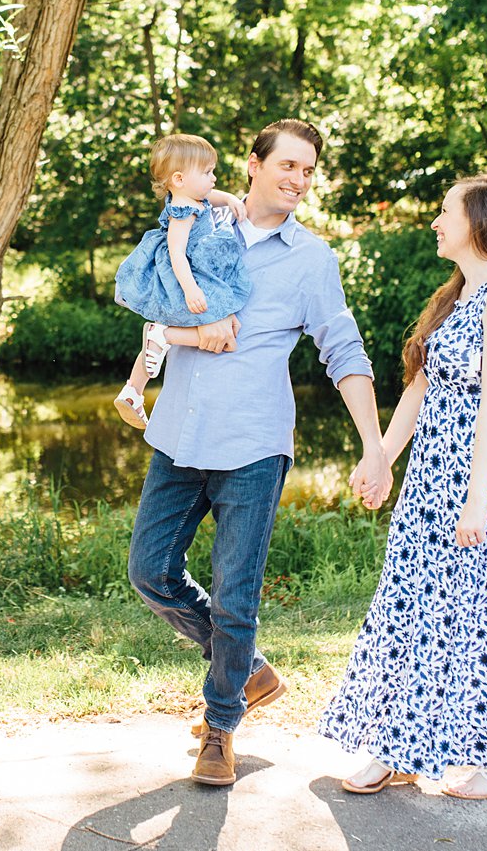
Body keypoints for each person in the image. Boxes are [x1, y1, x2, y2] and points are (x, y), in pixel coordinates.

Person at [122, 119, 392, 787]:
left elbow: (345, 352)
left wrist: (376, 446)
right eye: (287, 166)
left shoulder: (312, 260)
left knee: (237, 598)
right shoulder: (196, 228)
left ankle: (221, 726)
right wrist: (182, 339)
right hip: (179, 435)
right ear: (253, 163)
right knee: (150, 570)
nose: (298, 179)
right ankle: (250, 669)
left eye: (308, 169)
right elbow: (154, 311)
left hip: (254, 444)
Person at [318, 174, 487, 801]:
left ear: (479, 222)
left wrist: (477, 500)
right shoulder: (458, 294)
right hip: (429, 477)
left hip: (477, 477)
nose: (436, 222)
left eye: (446, 212)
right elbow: (421, 390)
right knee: (413, 606)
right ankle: (401, 749)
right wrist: (381, 459)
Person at [112, 134, 251, 429]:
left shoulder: (190, 197)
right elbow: (176, 253)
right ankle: (166, 337)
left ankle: (133, 390)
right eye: (207, 172)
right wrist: (191, 289)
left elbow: (209, 197)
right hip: (188, 276)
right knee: (230, 334)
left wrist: (227, 198)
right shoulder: (182, 213)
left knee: (225, 330)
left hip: (195, 272)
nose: (214, 178)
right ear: (179, 178)